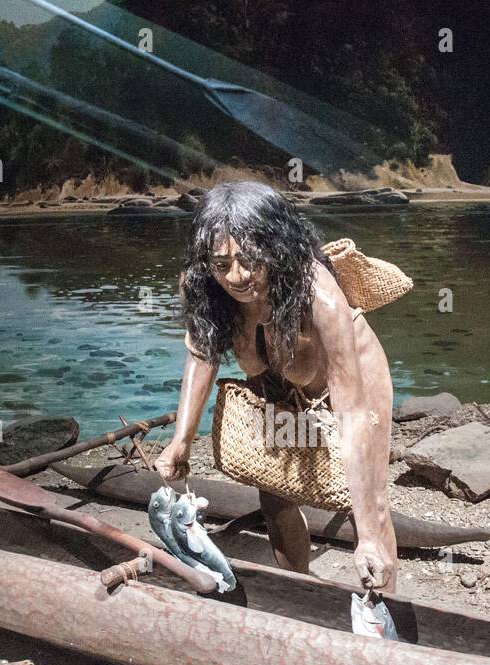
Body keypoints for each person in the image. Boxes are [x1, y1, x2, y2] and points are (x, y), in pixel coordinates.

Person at [154, 181, 398, 592]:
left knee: (369, 503)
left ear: (278, 248)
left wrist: (370, 536)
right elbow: (202, 355)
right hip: (276, 388)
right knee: (274, 494)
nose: (237, 276)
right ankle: (296, 591)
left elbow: (352, 412)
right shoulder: (205, 288)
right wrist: (182, 439)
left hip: (351, 385)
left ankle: (384, 605)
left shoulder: (319, 295)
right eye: (221, 264)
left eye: (250, 260)